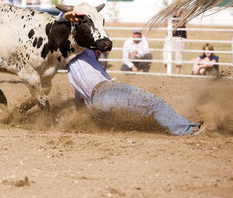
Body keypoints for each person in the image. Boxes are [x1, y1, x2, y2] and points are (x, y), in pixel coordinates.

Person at [61, 11, 202, 136]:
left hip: (98, 105)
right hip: (105, 92)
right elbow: (62, 24)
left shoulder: (75, 66)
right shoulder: (82, 52)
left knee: (140, 114)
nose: (100, 51)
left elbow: (79, 104)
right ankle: (188, 129)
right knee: (153, 103)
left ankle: (173, 126)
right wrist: (67, 15)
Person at [162, 9, 187, 74]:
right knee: (165, 56)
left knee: (178, 56)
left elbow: (181, 24)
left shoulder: (183, 13)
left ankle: (177, 74)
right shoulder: (170, 15)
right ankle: (168, 72)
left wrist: (171, 24)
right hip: (169, 37)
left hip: (180, 37)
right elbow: (165, 24)